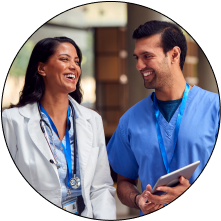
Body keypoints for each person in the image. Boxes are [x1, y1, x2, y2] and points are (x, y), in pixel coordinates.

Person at [107, 20, 219, 216]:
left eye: (147, 56)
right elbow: (124, 181)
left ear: (174, 54)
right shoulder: (129, 121)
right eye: (137, 57)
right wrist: (137, 199)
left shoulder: (215, 108)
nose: (139, 65)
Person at [2, 37, 116, 219]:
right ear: (41, 68)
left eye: (77, 62)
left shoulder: (92, 120)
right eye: (64, 59)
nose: (74, 66)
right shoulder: (13, 120)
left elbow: (101, 187)